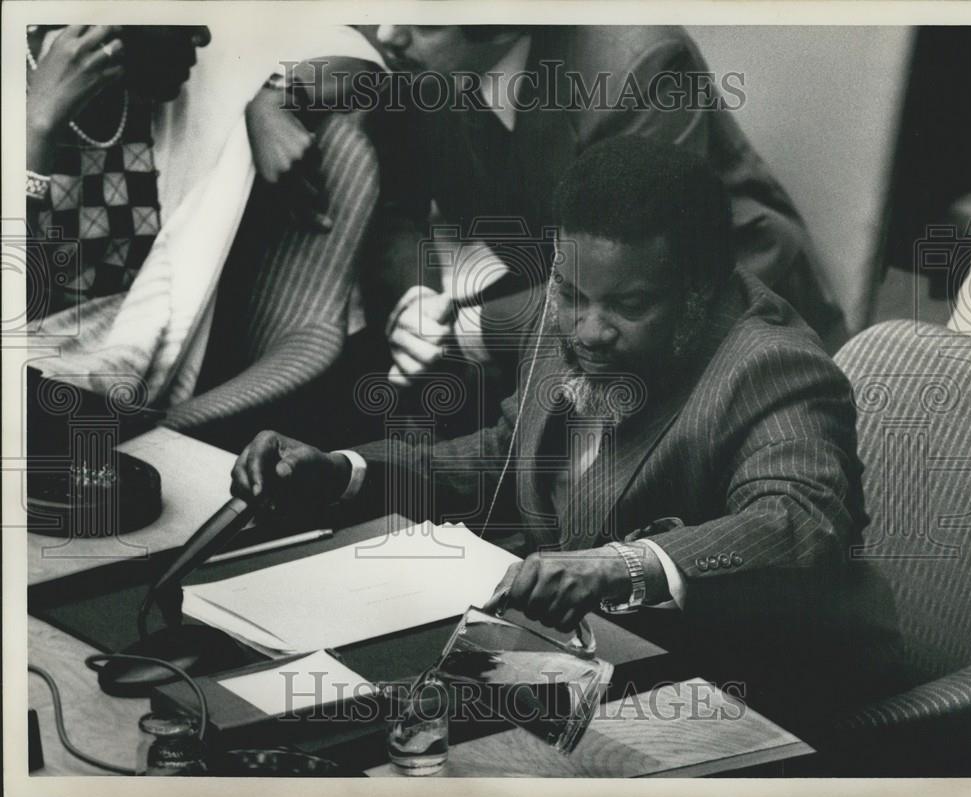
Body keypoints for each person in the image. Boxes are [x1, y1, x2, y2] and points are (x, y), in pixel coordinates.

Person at [230, 137, 897, 732]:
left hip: (742, 700)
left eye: (629, 307)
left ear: (699, 289)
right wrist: (346, 471)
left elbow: (798, 520)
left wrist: (620, 565)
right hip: (579, 669)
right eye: (572, 295)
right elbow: (502, 456)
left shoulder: (770, 365)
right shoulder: (574, 301)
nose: (587, 331)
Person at [360, 24, 847, 410]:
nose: (387, 33)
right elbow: (397, 208)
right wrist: (419, 305)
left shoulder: (641, 68)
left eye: (424, 19)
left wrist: (470, 329)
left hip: (719, 314)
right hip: (564, 304)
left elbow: (638, 279)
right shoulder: (424, 61)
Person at [25, 24, 385, 445]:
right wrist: (37, 124)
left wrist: (277, 97)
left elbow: (361, 59)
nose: (204, 36)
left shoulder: (185, 75)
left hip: (109, 400)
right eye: (185, 17)